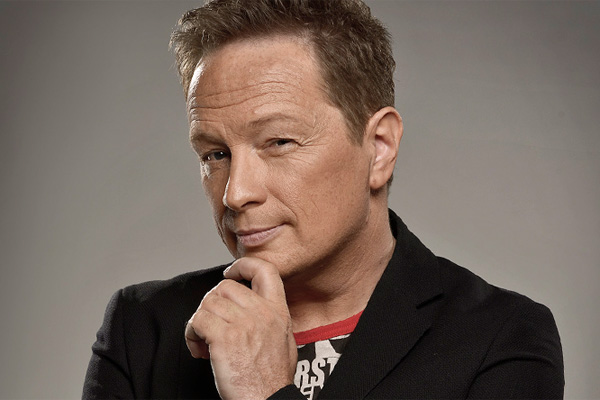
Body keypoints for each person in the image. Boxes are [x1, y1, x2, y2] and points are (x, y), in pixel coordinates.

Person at [83, 0, 564, 398]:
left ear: (379, 148)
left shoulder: (502, 336)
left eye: (278, 142)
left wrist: (265, 393)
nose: (236, 193)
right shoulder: (142, 329)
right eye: (215, 154)